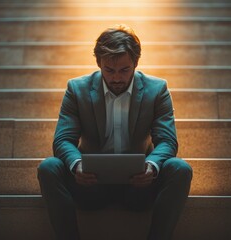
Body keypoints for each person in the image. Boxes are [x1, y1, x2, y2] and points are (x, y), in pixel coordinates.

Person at [37, 24, 193, 240]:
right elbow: (63, 139)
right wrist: (77, 165)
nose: (116, 78)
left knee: (180, 168)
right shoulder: (76, 89)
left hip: (139, 187)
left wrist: (151, 167)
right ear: (98, 63)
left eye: (124, 70)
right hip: (90, 185)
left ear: (135, 64)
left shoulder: (157, 90)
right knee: (48, 167)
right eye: (109, 70)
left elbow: (167, 140)